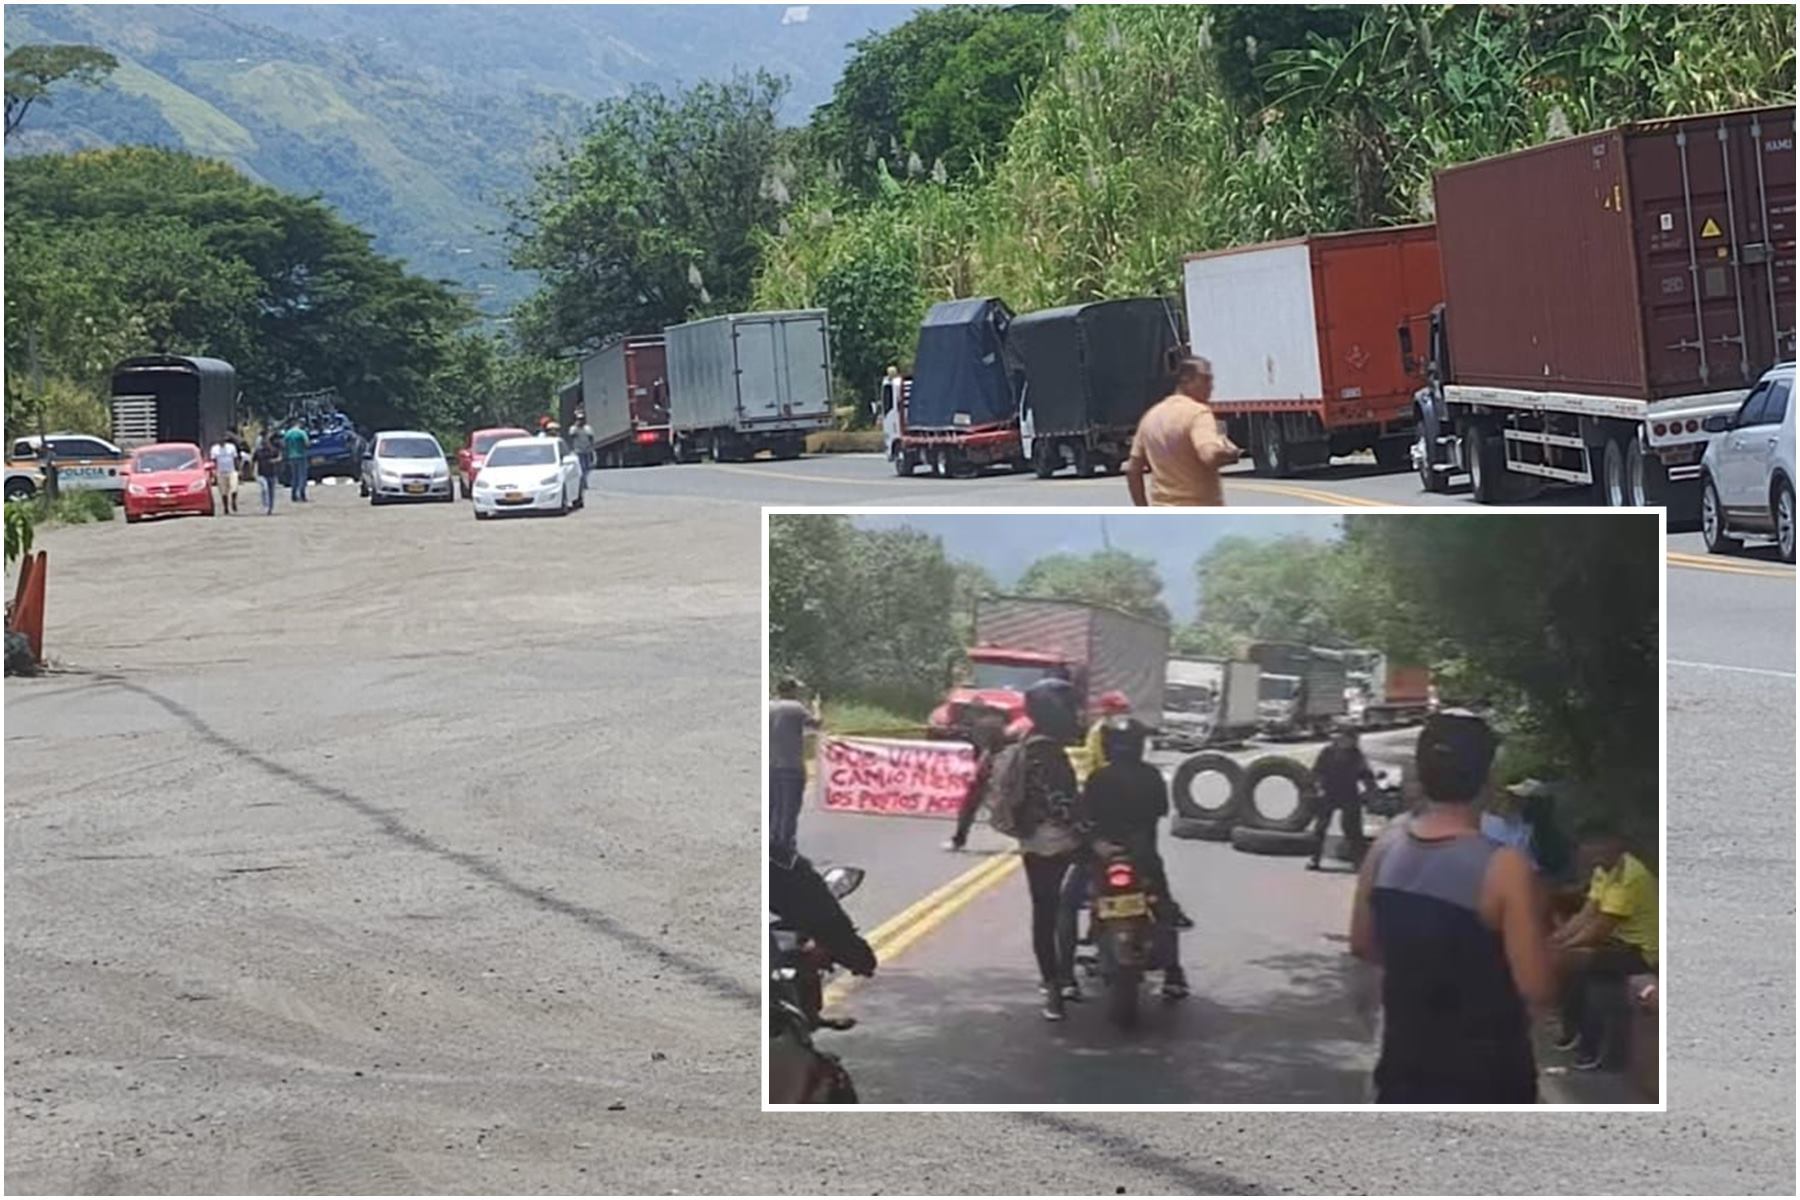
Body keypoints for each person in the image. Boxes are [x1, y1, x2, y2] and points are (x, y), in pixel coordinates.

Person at [1350, 710, 1555, 1103]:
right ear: (1487, 777)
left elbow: (1362, 944)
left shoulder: (1386, 846)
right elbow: (1537, 987)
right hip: (1487, 1077)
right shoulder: (1505, 868)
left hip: (1402, 1065)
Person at [1061, 716, 1190, 1001]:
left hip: (1101, 856)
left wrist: (1097, 844)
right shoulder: (1152, 777)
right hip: (1142, 856)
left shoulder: (1098, 778)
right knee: (1164, 906)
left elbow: (1084, 817)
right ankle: (1174, 974)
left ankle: (1065, 978)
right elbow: (1157, 814)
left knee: (1068, 906)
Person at [1549, 824, 1658, 1070]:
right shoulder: (1603, 870)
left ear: (1615, 846)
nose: (1591, 853)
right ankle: (1573, 1029)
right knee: (1568, 962)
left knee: (1576, 962)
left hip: (1641, 950)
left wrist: (1564, 948)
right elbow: (1587, 914)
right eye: (1588, 847)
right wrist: (1557, 940)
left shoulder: (1629, 876)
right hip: (1617, 943)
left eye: (1598, 846)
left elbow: (1600, 927)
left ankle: (1592, 1047)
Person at [1014, 678, 1090, 1021]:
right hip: (1058, 840)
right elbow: (1060, 802)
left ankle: (1052, 987)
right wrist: (1086, 831)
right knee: (1070, 904)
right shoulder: (1048, 752)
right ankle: (1067, 978)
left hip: (1030, 840)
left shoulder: (1025, 743)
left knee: (1042, 913)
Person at [1125, 356, 1242, 507]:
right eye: (1205, 380)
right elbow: (1209, 456)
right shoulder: (1198, 414)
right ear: (1187, 380)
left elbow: (1133, 470)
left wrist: (1143, 509)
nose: (1211, 386)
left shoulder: (1151, 417)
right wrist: (1232, 453)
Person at [1307, 725, 1377, 870]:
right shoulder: (1328, 752)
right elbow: (1317, 772)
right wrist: (1315, 788)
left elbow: (1365, 775)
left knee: (1353, 830)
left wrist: (1371, 791)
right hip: (1329, 792)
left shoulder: (1356, 755)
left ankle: (1359, 862)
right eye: (1349, 738)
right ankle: (1314, 859)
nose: (1351, 742)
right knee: (1320, 828)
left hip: (1349, 793)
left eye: (1354, 739)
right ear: (1342, 738)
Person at [768, 678, 820, 859]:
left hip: (770, 766)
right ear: (791, 691)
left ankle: (770, 844)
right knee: (789, 810)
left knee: (773, 808)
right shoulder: (796, 708)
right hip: (791, 767)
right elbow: (816, 725)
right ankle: (785, 849)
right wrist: (816, 707)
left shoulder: (768, 707)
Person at [944, 708, 1008, 852]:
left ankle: (959, 840)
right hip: (998, 775)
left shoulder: (985, 741)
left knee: (969, 808)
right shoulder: (1003, 744)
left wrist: (976, 772)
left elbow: (985, 754)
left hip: (987, 776)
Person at [1072, 690, 1133, 786]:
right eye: (1118, 713)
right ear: (1106, 715)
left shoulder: (1135, 729)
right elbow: (1095, 759)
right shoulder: (1097, 733)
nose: (1122, 717)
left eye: (1125, 713)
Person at [208, 435, 241, 515]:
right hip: (221, 472)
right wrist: (213, 472)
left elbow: (235, 459)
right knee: (223, 492)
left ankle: (233, 501)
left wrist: (239, 469)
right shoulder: (214, 449)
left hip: (231, 471)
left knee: (234, 488)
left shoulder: (231, 447)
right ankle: (225, 507)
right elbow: (213, 461)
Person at [252, 432, 282, 515]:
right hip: (261, 473)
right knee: (264, 489)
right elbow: (254, 461)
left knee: (271, 491)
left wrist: (274, 461)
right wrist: (253, 472)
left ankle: (270, 507)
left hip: (272, 473)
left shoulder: (273, 450)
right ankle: (265, 505)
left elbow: (279, 457)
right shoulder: (258, 451)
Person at [282, 422, 311, 502]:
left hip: (291, 456)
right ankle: (302, 493)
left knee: (294, 476)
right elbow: (307, 443)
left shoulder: (288, 433)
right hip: (301, 456)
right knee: (302, 475)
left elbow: (284, 445)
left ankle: (293, 494)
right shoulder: (302, 433)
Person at [569, 410, 596, 495]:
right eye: (579, 419)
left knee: (587, 468)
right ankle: (582, 483)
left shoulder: (588, 428)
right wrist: (577, 427)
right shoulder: (574, 428)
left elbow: (591, 438)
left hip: (587, 450)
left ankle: (584, 481)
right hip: (578, 451)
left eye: (582, 419)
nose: (581, 421)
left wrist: (592, 448)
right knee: (581, 468)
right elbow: (571, 435)